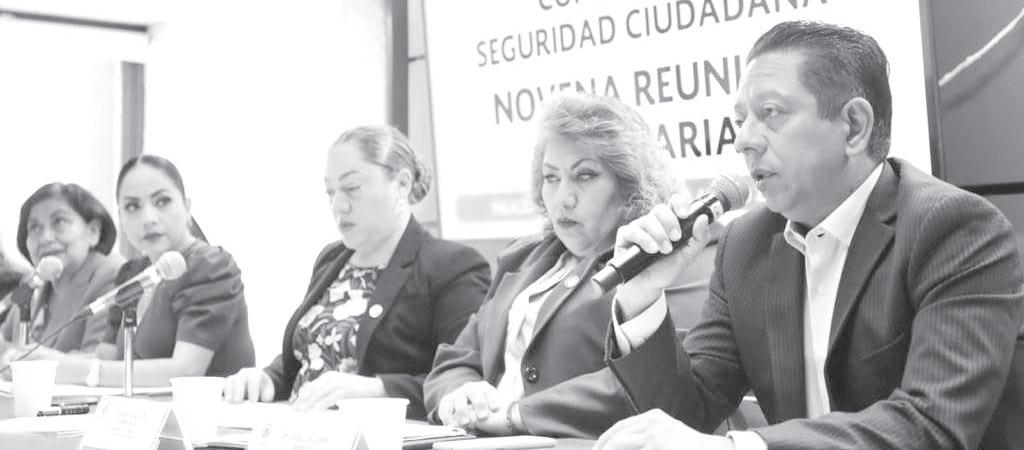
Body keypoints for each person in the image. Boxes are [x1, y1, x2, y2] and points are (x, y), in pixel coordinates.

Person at [594, 21, 1024, 450]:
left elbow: (931, 425)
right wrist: (642, 295)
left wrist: (741, 447)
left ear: (853, 126)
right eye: (740, 120)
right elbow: (688, 414)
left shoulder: (955, 229)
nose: (743, 140)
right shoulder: (744, 242)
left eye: (770, 113)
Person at [423, 94, 674, 438]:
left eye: (585, 175)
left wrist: (515, 416)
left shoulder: (656, 259)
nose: (563, 198)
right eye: (551, 178)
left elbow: (652, 382)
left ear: (629, 184)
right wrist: (460, 394)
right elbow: (456, 360)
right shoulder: (522, 257)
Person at [222, 126, 490, 420]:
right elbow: (312, 354)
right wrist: (267, 379)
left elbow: (463, 381)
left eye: (352, 188)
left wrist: (379, 390)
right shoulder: (332, 258)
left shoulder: (452, 265)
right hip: (300, 429)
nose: (338, 205)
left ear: (401, 184)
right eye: (330, 192)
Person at [24, 155, 256, 386]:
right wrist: (42, 361)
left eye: (162, 201)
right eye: (132, 207)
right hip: (138, 409)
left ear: (187, 206)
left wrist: (66, 368)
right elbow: (106, 359)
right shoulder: (132, 274)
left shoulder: (210, 265)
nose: (148, 219)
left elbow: (186, 370)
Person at [0, 183, 124, 356]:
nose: (45, 238)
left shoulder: (112, 273)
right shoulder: (33, 283)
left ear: (93, 231)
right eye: (34, 228)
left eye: (59, 221)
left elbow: (98, 360)